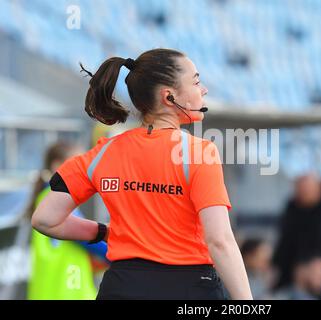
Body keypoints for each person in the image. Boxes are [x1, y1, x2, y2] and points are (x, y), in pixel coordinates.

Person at [31, 48, 252, 300]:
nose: (204, 90)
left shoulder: (104, 153)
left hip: (121, 287)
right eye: (196, 82)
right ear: (169, 96)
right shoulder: (200, 152)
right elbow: (220, 241)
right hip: (188, 287)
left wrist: (103, 232)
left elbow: (45, 219)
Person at [26, 142, 109, 300]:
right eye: (78, 163)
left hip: (52, 290)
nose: (86, 171)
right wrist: (115, 254)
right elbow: (84, 236)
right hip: (68, 290)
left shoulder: (43, 198)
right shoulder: (54, 200)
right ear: (57, 165)